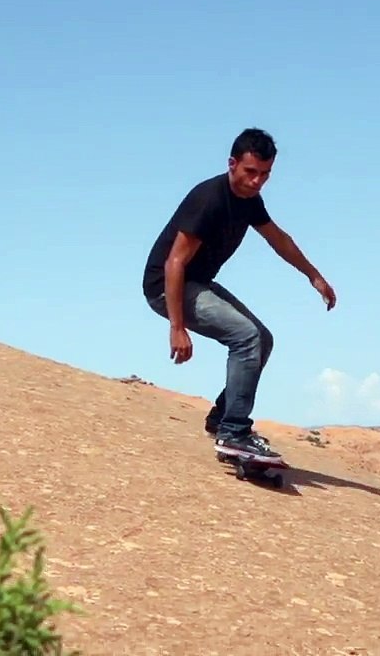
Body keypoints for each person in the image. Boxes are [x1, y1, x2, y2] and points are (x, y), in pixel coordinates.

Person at [141, 127, 336, 462]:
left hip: (197, 283)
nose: (257, 181)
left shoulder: (248, 201)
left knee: (262, 338)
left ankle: (221, 418)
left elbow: (278, 239)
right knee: (246, 337)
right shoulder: (209, 199)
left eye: (265, 174)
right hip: (167, 287)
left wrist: (313, 275)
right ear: (232, 164)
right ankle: (234, 432)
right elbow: (175, 262)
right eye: (250, 172)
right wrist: (176, 327)